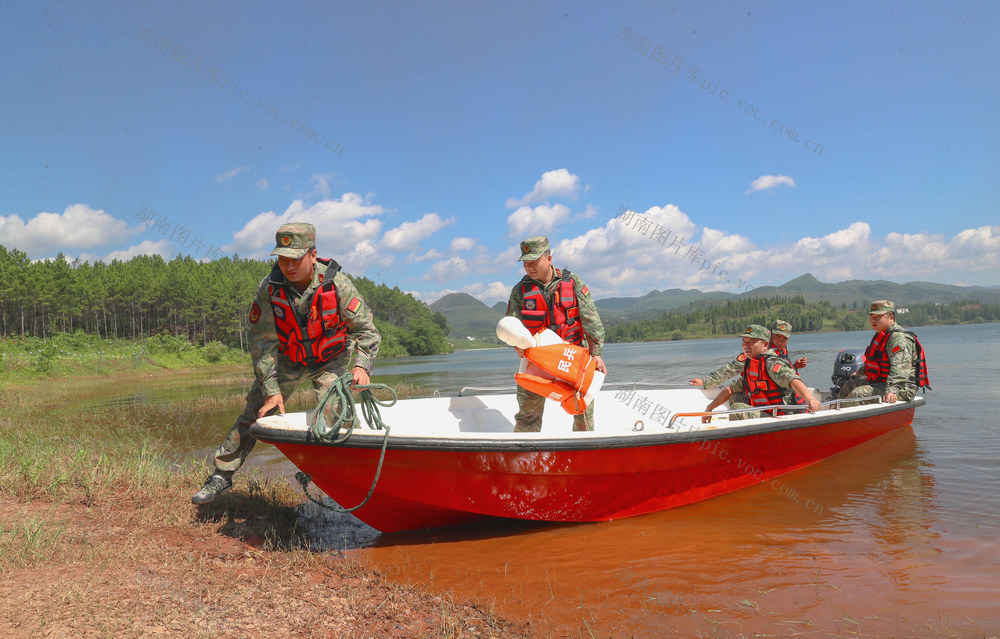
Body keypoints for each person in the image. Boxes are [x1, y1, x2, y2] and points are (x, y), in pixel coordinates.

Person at [192, 222, 381, 504]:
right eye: (282, 259)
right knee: (256, 411)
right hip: (289, 359)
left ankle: (352, 481)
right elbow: (262, 343)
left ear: (313, 255)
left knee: (334, 412)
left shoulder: (337, 285)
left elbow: (367, 331)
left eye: (294, 259)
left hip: (330, 359)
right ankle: (221, 474)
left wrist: (361, 366)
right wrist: (271, 388)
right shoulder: (270, 289)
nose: (288, 266)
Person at [505, 236, 606, 432]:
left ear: (549, 259)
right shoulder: (520, 290)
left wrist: (596, 352)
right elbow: (511, 324)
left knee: (582, 413)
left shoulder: (572, 282)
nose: (530, 268)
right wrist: (516, 344)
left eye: (534, 262)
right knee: (527, 416)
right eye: (526, 264)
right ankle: (525, 458)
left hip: (572, 358)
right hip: (537, 360)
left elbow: (590, 318)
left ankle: (584, 457)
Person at [702, 325, 821, 422]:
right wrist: (709, 408)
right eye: (744, 342)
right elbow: (730, 389)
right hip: (767, 411)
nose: (746, 346)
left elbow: (792, 379)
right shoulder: (751, 363)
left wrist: (809, 398)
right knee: (735, 396)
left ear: (765, 345)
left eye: (752, 342)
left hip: (783, 415)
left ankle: (745, 444)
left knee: (737, 409)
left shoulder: (771, 362)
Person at [838, 300, 930, 403]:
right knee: (848, 386)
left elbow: (901, 370)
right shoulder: (882, 335)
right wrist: (859, 373)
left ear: (891, 318)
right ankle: (836, 414)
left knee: (858, 393)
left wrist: (892, 391)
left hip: (903, 388)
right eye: (871, 317)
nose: (873, 321)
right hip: (882, 382)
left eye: (877, 318)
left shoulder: (898, 339)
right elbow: (876, 361)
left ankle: (850, 417)